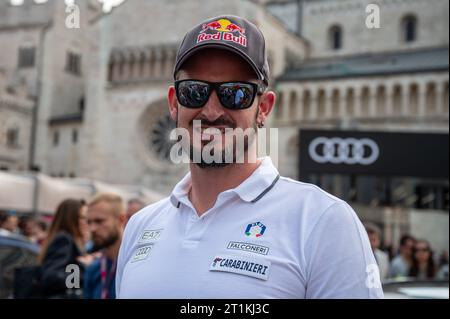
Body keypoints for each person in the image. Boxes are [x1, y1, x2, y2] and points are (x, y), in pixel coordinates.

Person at [116, 15, 383, 299]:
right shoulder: (140, 226)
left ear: (264, 108)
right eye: (194, 92)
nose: (211, 111)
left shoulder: (323, 221)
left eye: (236, 94)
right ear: (174, 103)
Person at [39, 199, 90, 298]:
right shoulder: (64, 239)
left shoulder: (68, 238)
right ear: (71, 218)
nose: (87, 222)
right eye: (83, 217)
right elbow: (52, 276)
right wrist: (87, 271)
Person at [83, 193, 125, 299]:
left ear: (121, 220)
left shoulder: (133, 265)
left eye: (99, 221)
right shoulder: (93, 268)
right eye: (89, 222)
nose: (92, 228)